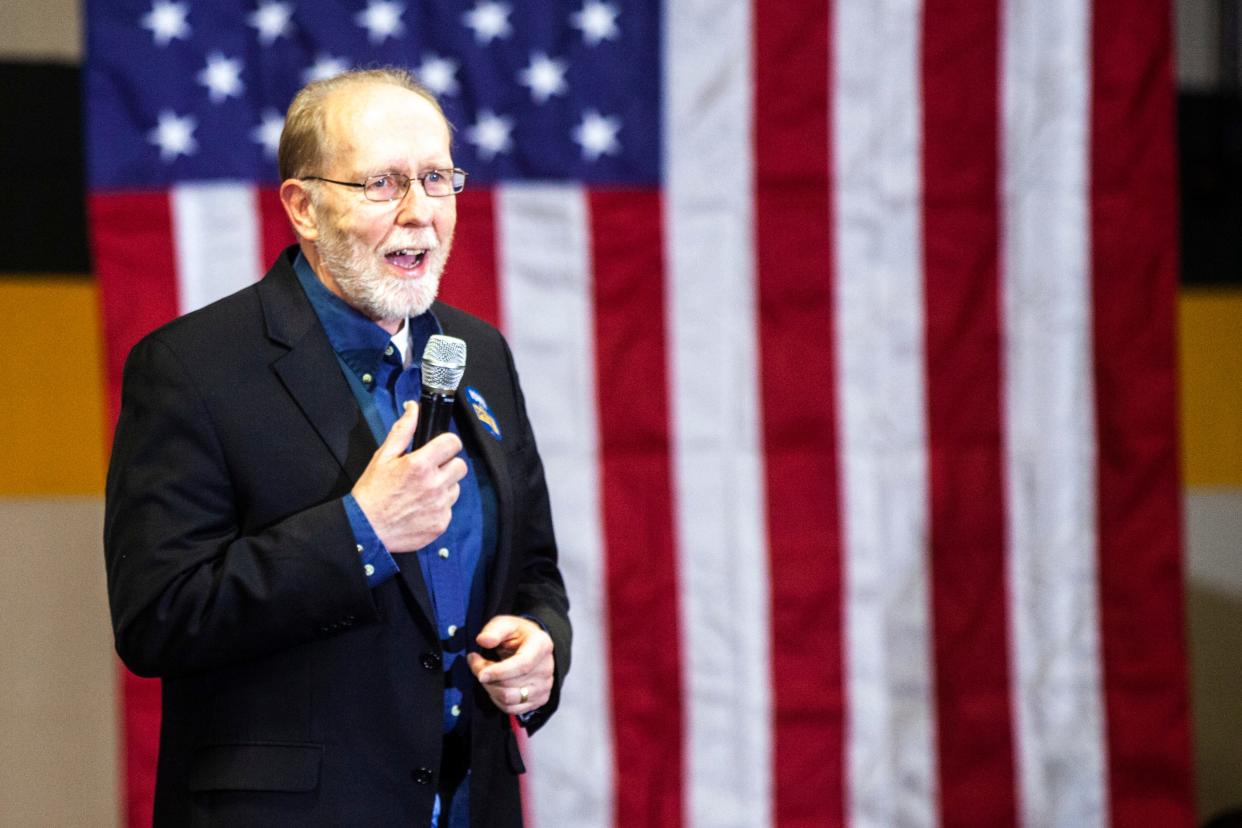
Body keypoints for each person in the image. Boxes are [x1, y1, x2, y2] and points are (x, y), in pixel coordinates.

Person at [104, 68, 571, 827]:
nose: (421, 213)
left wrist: (541, 641)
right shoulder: (192, 368)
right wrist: (361, 532)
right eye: (383, 184)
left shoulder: (477, 352)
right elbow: (158, 617)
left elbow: (535, 572)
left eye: (437, 178)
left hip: (468, 805)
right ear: (305, 207)